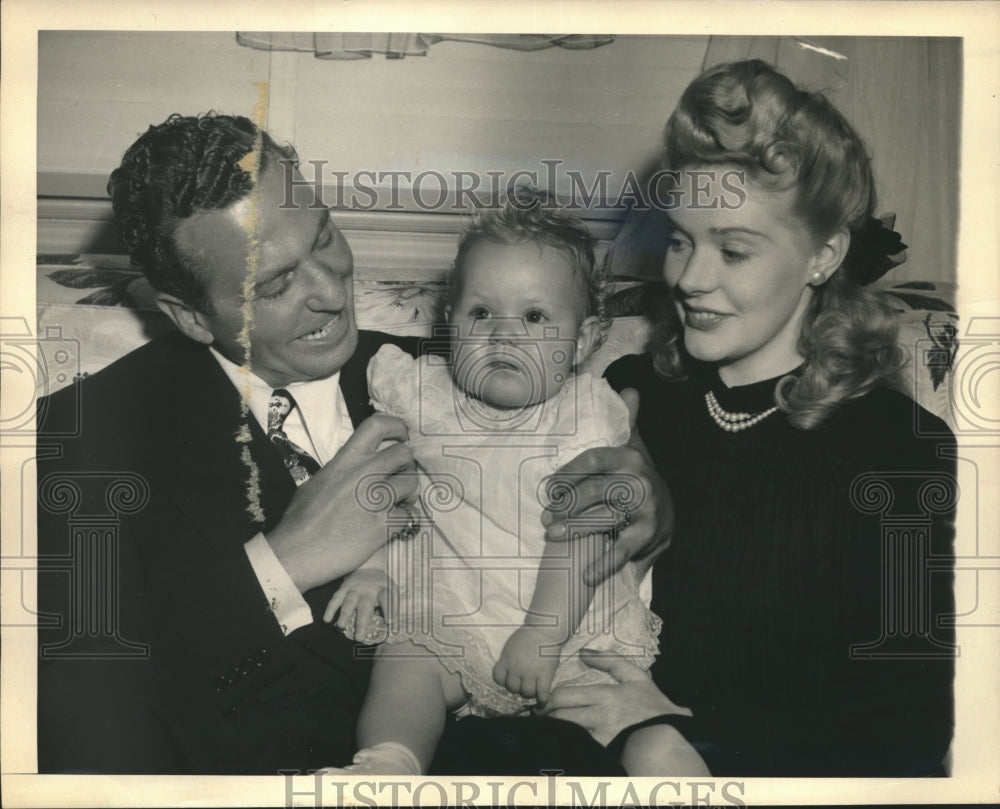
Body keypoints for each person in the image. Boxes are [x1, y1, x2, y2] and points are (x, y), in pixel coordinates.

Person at [35, 113, 670, 774]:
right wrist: (277, 564)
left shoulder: (468, 358)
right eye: (274, 285)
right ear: (189, 314)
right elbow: (67, 692)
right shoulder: (86, 434)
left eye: (325, 235)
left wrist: (653, 499)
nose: (331, 290)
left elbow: (592, 419)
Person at [535, 60, 957, 777]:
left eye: (733, 249)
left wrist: (669, 731)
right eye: (679, 239)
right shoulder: (629, 394)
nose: (691, 278)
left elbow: (910, 731)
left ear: (823, 254)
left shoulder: (899, 450)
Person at [321, 194, 662, 775]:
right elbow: (390, 482)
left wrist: (543, 636)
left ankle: (671, 762)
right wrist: (373, 564)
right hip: (455, 615)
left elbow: (584, 530)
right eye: (482, 313)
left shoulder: (584, 415)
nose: (503, 335)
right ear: (450, 322)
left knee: (620, 710)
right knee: (405, 661)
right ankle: (389, 763)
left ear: (581, 342)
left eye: (534, 317)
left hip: (567, 626)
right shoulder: (424, 397)